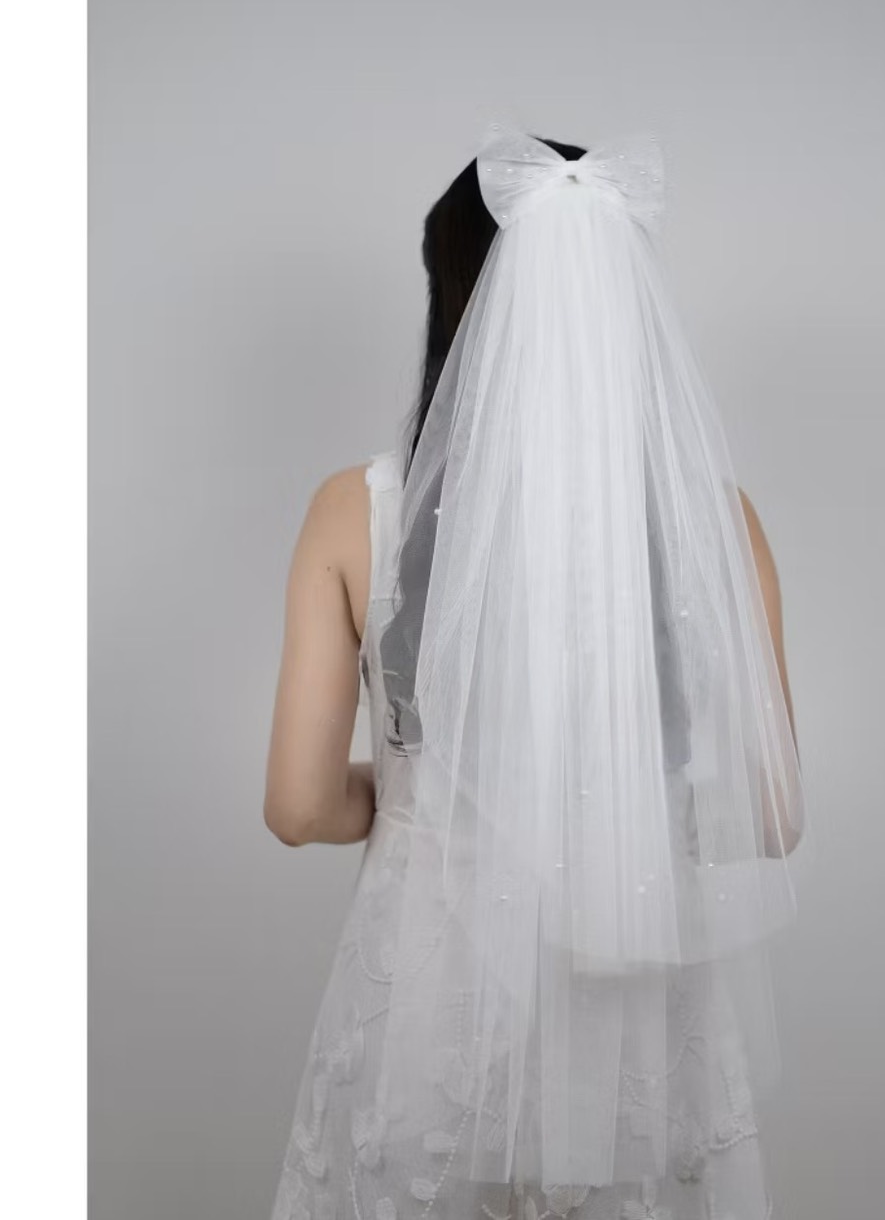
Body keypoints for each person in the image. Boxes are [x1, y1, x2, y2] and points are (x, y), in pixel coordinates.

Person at [265, 127, 804, 1220]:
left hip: (430, 1010)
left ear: (457, 303)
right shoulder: (716, 520)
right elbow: (772, 814)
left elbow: (299, 806)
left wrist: (405, 798)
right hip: (633, 1012)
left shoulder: (354, 513)